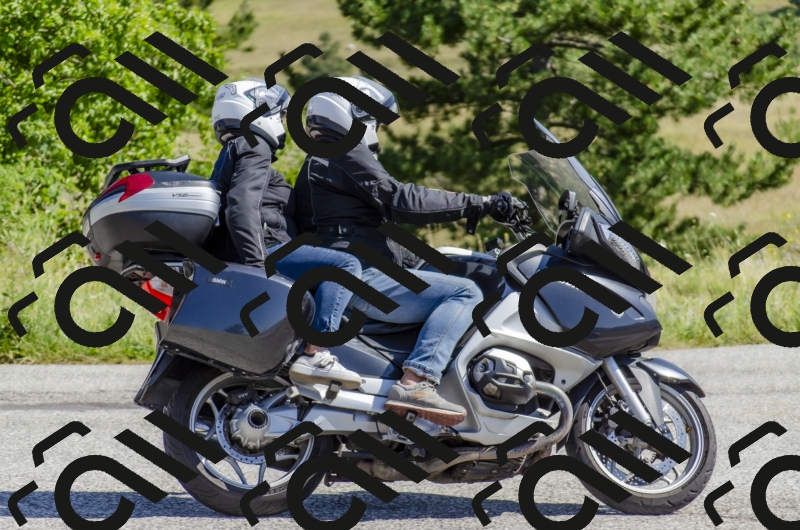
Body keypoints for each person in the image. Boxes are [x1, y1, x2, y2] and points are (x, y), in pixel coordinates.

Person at [293, 76, 520, 426]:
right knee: (465, 293)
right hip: (363, 275)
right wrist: (481, 203)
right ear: (351, 113)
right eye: (372, 119)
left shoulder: (319, 160)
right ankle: (417, 381)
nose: (375, 129)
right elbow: (401, 200)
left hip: (354, 270)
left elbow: (363, 227)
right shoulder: (342, 151)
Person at [209, 78, 362, 390]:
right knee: (345, 266)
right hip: (268, 249)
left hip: (247, 250)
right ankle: (317, 352)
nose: (280, 123)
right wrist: (257, 267)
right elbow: (241, 206)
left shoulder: (233, 150)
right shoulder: (256, 145)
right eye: (279, 115)